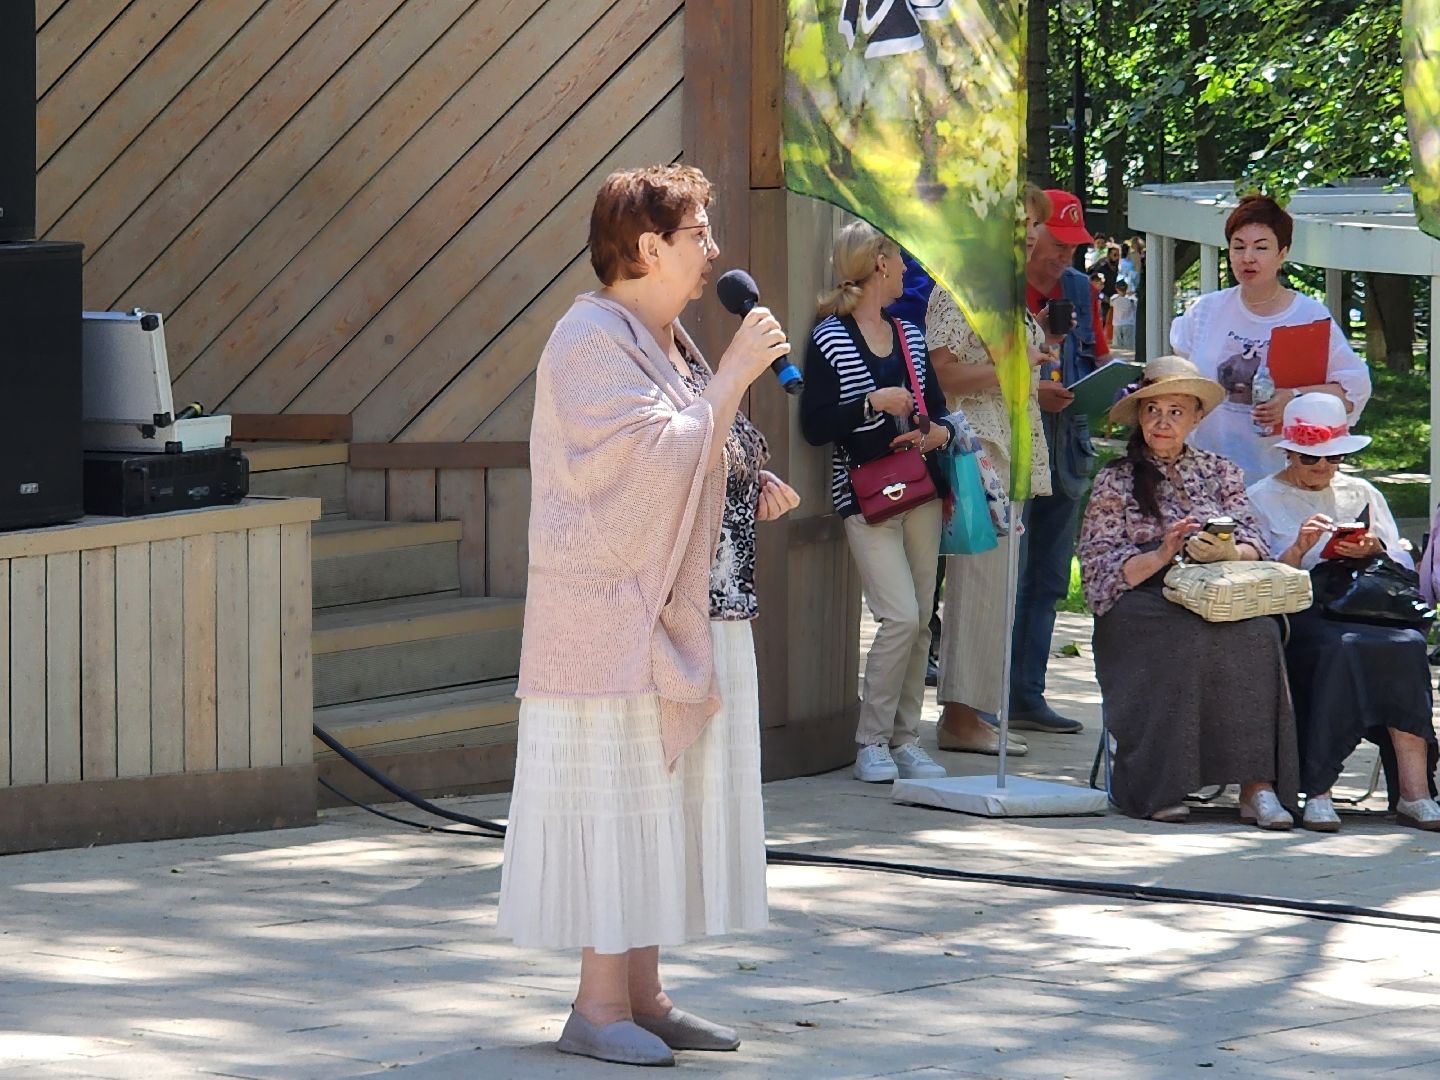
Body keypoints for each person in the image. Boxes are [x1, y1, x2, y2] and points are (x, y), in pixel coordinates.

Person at [497, 165, 801, 1067]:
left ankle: (644, 995)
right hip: (609, 628)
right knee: (619, 806)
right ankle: (596, 1005)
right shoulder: (587, 338)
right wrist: (739, 373)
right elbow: (630, 476)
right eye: (698, 232)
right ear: (648, 247)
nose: (713, 249)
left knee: (661, 804)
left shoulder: (667, 338)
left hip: (681, 612)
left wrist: (750, 475)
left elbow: (698, 450)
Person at [1079, 355, 1300, 827]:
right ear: (1139, 416)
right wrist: (1162, 553)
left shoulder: (1221, 472)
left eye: (1176, 411)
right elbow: (1097, 569)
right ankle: (1160, 785)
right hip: (1141, 598)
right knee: (1184, 637)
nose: (1163, 422)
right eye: (1153, 410)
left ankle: (1257, 786)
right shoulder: (1115, 478)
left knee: (1259, 634)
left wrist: (1223, 551)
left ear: (1197, 417)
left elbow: (1256, 542)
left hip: (1215, 590)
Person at [801, 220, 957, 783]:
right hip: (865, 495)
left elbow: (937, 416)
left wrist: (932, 432)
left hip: (919, 488)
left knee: (920, 623)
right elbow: (815, 425)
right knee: (900, 617)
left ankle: (905, 739)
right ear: (878, 264)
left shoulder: (909, 334)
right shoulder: (830, 337)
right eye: (898, 257)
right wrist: (870, 403)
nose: (907, 269)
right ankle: (871, 740)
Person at [1247, 394, 1440, 831]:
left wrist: (1373, 548)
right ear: (1291, 452)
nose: (1324, 468)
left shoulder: (1362, 491)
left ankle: (1415, 791)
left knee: (1408, 645)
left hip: (1365, 604)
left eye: (1333, 458)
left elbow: (1402, 566)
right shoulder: (1261, 497)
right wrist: (1297, 549)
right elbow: (1258, 579)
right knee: (1338, 649)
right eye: (1312, 458)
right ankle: (1318, 789)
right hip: (1301, 610)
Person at [925, 183, 1055, 756]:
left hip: (1009, 448)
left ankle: (975, 709)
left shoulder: (1005, 295)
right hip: (980, 455)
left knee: (998, 588)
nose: (1028, 236)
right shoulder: (960, 290)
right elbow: (943, 377)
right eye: (1018, 225)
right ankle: (958, 717)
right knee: (979, 587)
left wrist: (1035, 384)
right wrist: (1014, 366)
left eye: (1031, 227)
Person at [1169, 194, 1372, 485]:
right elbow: (1181, 382)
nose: (1248, 257)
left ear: (1282, 253)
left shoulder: (1309, 316)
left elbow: (1352, 389)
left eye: (1261, 247)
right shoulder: (1205, 311)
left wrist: (1294, 398)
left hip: (1279, 479)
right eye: (1238, 247)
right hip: (1205, 473)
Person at [1009, 188, 1112, 736]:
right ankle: (986, 698)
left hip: (1066, 445)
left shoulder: (1079, 289)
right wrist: (1031, 389)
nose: (1067, 257)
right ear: (1032, 237)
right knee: (1009, 573)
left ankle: (1028, 695)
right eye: (1059, 245)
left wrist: (1103, 390)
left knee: (1048, 578)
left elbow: (1094, 357)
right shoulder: (1001, 290)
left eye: (1075, 246)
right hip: (1012, 444)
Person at [1109, 279, 1137, 351]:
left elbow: (1110, 303)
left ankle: (1119, 358)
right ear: (1127, 288)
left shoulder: (1114, 299)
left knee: (1117, 345)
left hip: (1117, 324)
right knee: (1128, 345)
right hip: (1129, 324)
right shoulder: (1132, 300)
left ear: (1116, 288)